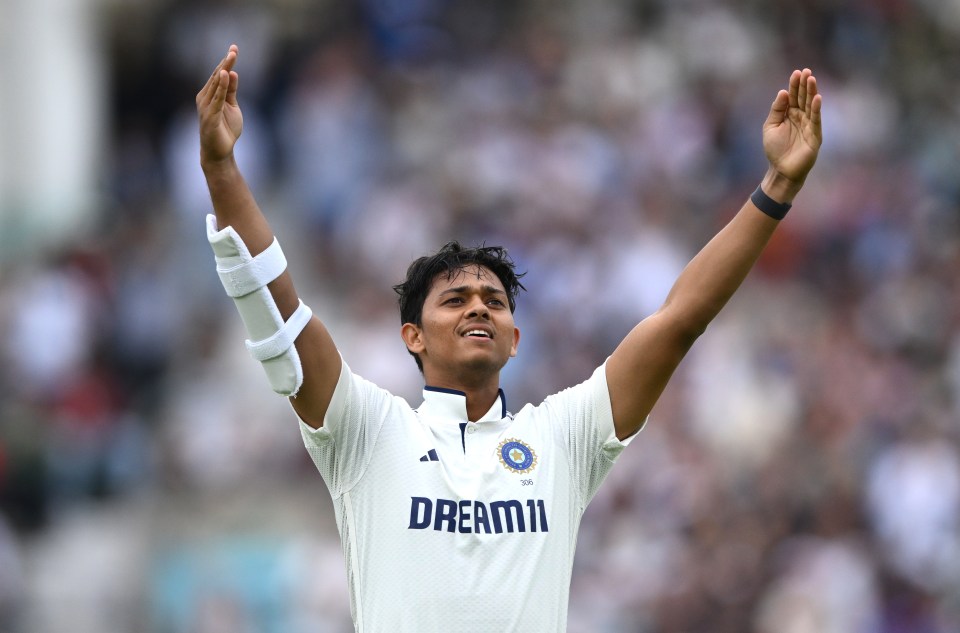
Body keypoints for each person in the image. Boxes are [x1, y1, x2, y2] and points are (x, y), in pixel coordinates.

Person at [196, 44, 822, 632]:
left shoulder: (561, 440)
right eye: (456, 299)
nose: (479, 309)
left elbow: (679, 320)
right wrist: (222, 169)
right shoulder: (368, 431)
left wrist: (777, 189)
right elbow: (279, 310)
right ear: (412, 336)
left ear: (516, 339)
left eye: (494, 301)